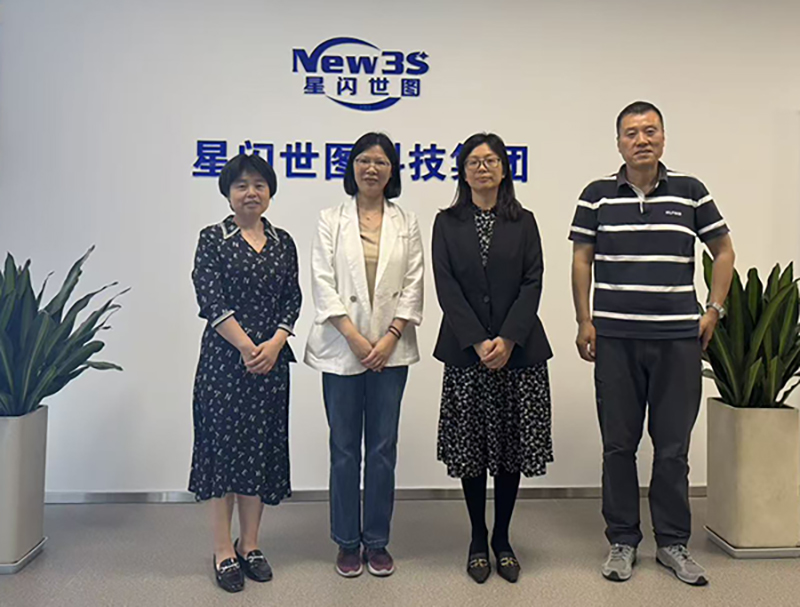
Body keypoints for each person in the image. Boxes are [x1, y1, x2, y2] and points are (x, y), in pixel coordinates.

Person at [569, 101, 735, 586]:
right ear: (618, 142)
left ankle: (672, 543)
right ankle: (622, 540)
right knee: (618, 446)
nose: (641, 140)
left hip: (677, 341)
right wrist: (584, 319)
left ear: (663, 137)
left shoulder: (691, 191)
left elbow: (723, 250)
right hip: (616, 340)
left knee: (672, 449)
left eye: (650, 131)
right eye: (631, 133)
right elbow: (582, 260)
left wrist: (714, 309)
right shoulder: (597, 196)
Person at [432, 133, 553, 584]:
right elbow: (446, 285)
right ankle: (477, 537)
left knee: (509, 450)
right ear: (463, 172)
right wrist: (478, 341)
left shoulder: (525, 221)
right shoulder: (446, 222)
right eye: (473, 162)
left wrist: (508, 337)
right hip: (468, 355)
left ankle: (502, 537)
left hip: (518, 355)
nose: (482, 168)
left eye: (491, 161)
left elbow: (533, 280)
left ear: (504, 170)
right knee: (472, 452)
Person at [304, 132, 424, 578]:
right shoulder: (329, 219)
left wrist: (390, 337)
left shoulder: (406, 221)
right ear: (352, 167)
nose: (371, 168)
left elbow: (414, 282)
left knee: (382, 448)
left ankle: (376, 540)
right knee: (343, 448)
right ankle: (345, 541)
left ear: (392, 171)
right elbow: (322, 281)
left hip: (390, 350)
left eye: (381, 161)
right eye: (363, 160)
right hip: (342, 348)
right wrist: (355, 338)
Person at [189, 153, 302, 593]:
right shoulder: (212, 239)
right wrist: (246, 346)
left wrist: (274, 344)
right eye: (241, 185)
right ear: (228, 193)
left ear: (270, 192)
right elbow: (210, 299)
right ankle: (223, 550)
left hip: (271, 364)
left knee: (259, 451)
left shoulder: (283, 242)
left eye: (259, 185)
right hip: (224, 363)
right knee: (222, 455)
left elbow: (292, 299)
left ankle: (250, 544)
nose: (251, 193)